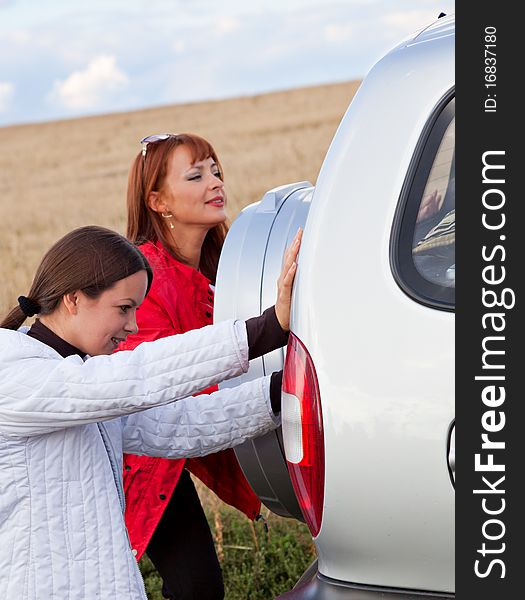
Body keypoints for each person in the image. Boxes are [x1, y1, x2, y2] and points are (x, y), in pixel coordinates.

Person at [0, 224, 301, 600]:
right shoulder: (13, 373)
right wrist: (270, 327)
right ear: (73, 299)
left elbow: (181, 425)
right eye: (124, 309)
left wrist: (286, 386)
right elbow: (138, 375)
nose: (133, 326)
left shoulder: (83, 385)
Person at [120, 132, 257, 600]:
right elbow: (162, 381)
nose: (216, 182)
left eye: (215, 170)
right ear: (158, 201)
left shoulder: (217, 266)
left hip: (164, 446)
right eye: (196, 175)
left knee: (196, 585)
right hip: (128, 455)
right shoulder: (145, 276)